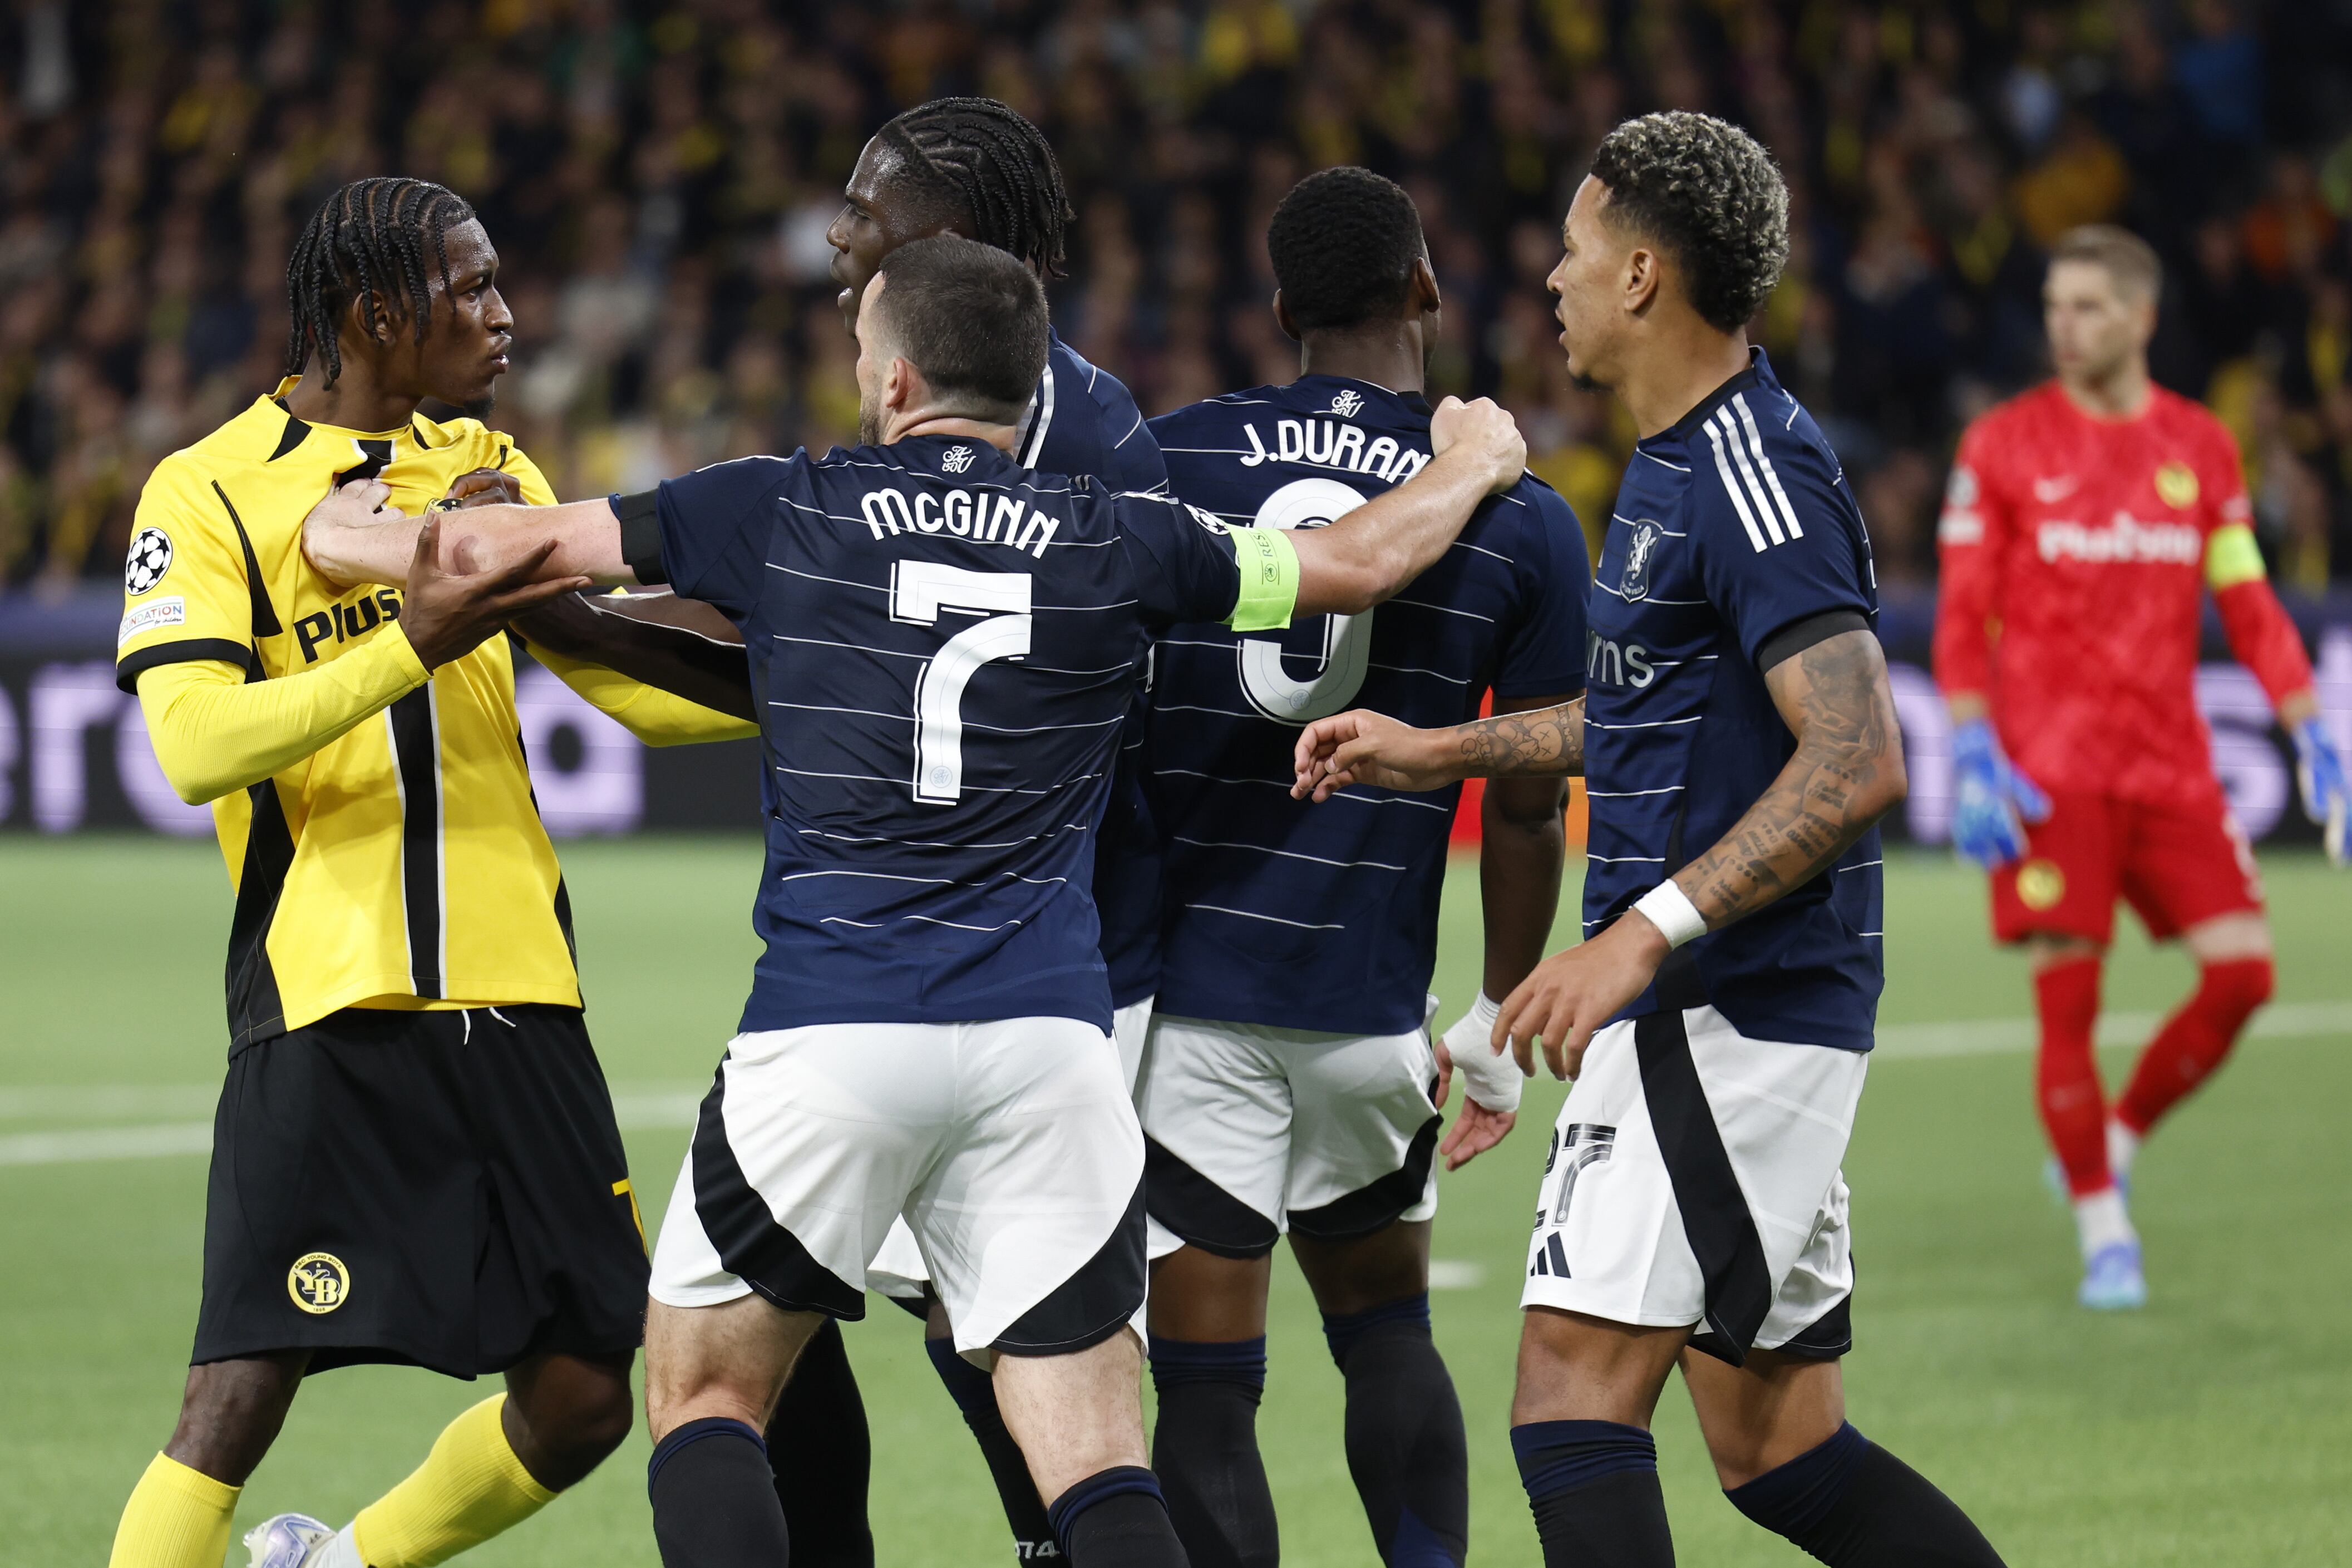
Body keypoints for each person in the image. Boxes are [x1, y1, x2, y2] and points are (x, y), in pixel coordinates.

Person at [299, 234, 1530, 1568]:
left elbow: (495, 547)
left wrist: (338, 526)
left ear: (891, 385)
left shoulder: (783, 503)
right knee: (1098, 1454)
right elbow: (1353, 564)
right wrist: (1469, 459)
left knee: (705, 1393)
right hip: (1050, 1052)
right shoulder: (1123, 537)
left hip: (831, 1029)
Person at [1290, 113, 2008, 1568]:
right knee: (1777, 1451)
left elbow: (1859, 756)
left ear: (1638, 276)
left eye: (1569, 247)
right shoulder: (1675, 465)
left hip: (1729, 1007)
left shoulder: (1750, 472)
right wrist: (1446, 749)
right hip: (1721, 1002)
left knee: (1566, 1399)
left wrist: (1636, 935)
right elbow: (1645, 721)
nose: (1546, 276)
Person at [513, 94, 1171, 1565]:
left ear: (948, 240)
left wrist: (550, 601)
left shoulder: (1059, 436)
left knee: (982, 1355)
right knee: (840, 1322)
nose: (837, 227)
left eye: (869, 203)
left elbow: (848, 672)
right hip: (992, 951)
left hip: (1014, 944)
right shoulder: (1023, 416)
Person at [104, 177, 754, 1568]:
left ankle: (336, 1565)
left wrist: (824, 696)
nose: (507, 315)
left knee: (587, 1389)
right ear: (373, 310)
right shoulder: (208, 488)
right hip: (333, 990)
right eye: (471, 288)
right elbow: (195, 744)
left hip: (523, 989)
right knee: (238, 1393)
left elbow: (624, 688)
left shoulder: (491, 471)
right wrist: (413, 639)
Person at [1137, 166, 1587, 1568]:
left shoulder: (1173, 459)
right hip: (1369, 1007)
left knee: (1207, 1397)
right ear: (1426, 292)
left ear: (1276, 308)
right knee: (1387, 1335)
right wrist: (1500, 1018)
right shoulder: (1521, 513)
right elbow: (1523, 803)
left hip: (1193, 1000)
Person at [1932, 224, 2349, 1310]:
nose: (2061, 327)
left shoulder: (2200, 448)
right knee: (2066, 1005)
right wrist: (1972, 743)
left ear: (2139, 318)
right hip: (2047, 772)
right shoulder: (2002, 446)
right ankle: (2101, 1228)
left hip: (2170, 767)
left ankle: (2111, 1136)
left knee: (2242, 971)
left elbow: (2246, 600)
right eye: (2053, 305)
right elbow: (1962, 611)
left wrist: (2306, 722)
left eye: (2086, 307)